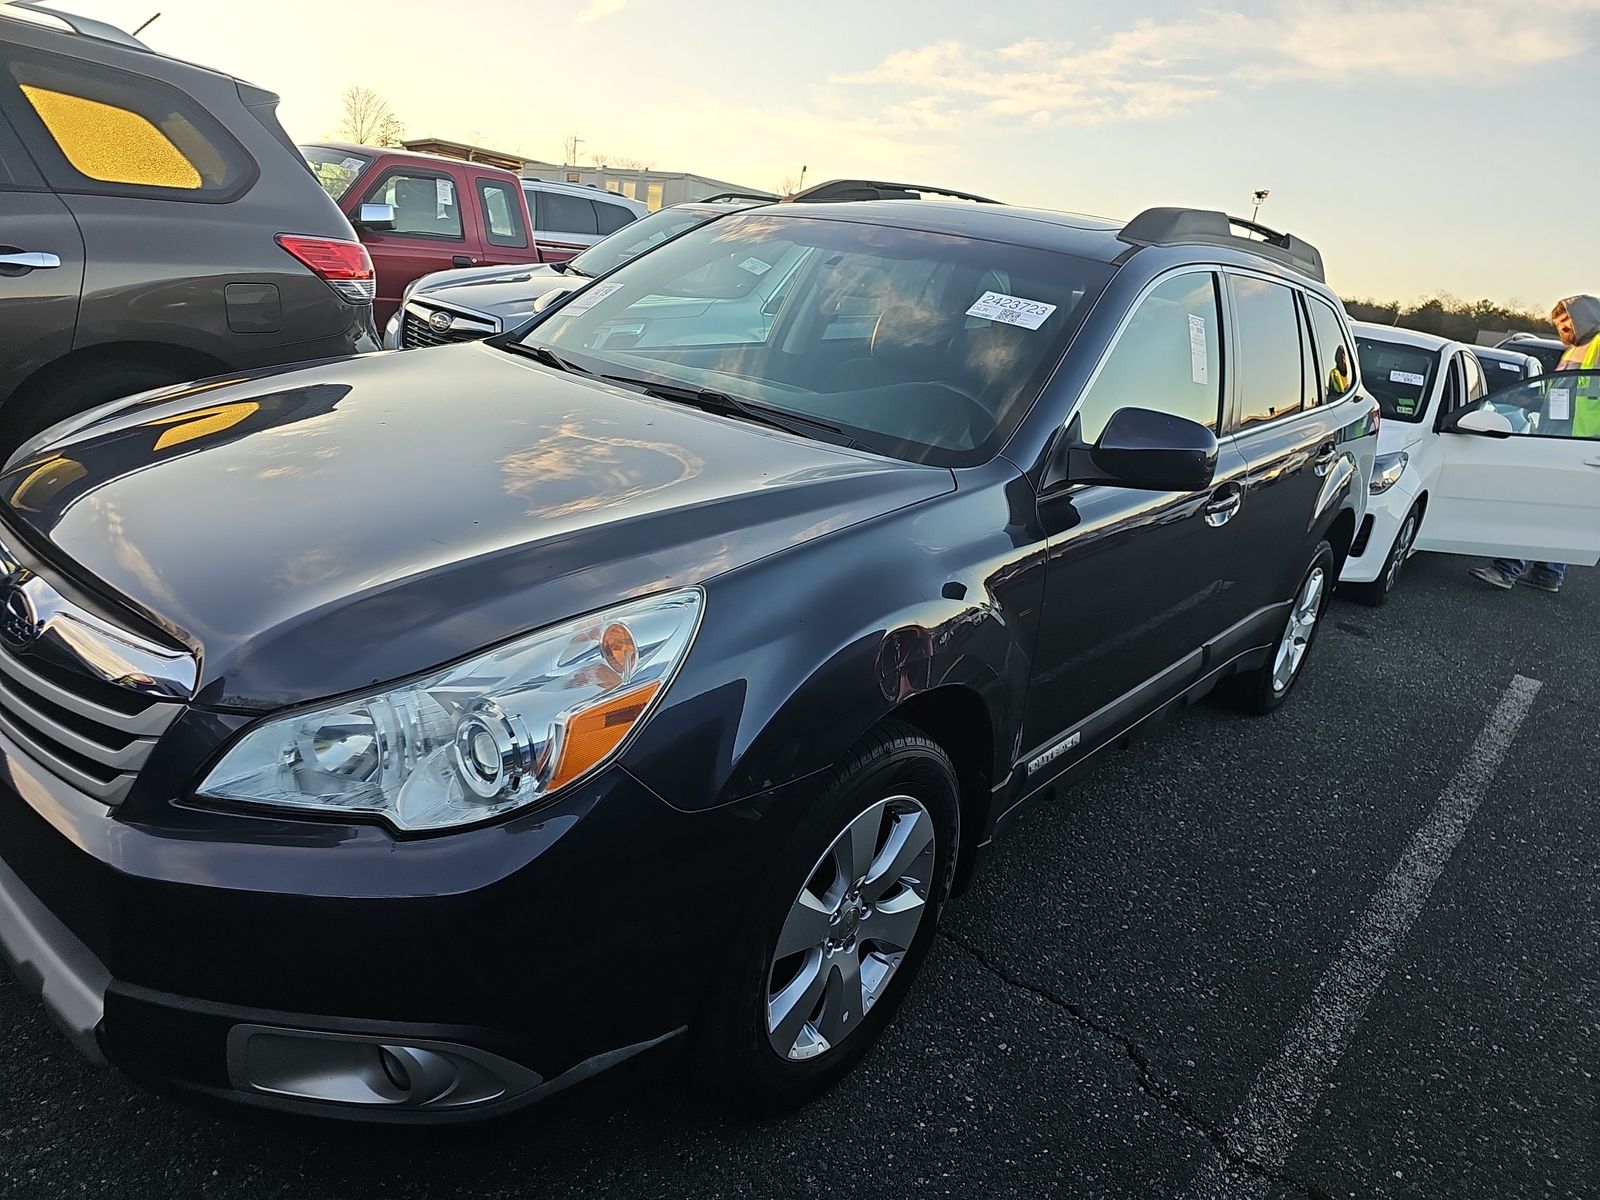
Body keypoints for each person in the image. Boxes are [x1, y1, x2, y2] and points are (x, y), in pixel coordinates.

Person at [1469, 294, 1600, 594]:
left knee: (1536, 502)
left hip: (1579, 441)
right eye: (1559, 324)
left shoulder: (1596, 345)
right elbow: (1563, 394)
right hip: (1567, 439)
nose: (1563, 329)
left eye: (1566, 322)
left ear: (1583, 318)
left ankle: (1506, 569)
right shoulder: (1576, 349)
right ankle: (1548, 573)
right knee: (1561, 510)